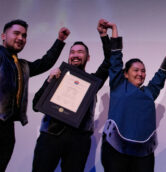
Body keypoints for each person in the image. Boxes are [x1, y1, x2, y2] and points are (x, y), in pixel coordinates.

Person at [0, 19, 69, 172]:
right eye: (16, 33)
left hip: (6, 129)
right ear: (3, 35)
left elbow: (45, 63)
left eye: (24, 35)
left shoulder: (22, 66)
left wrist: (60, 41)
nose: (21, 38)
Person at [31, 19, 113, 172]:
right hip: (50, 136)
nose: (75, 55)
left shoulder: (92, 83)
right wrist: (49, 81)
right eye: (72, 52)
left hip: (79, 140)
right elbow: (35, 105)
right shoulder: (56, 77)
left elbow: (109, 61)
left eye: (80, 52)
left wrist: (103, 36)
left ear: (88, 57)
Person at [100, 23, 166, 172]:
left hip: (143, 152)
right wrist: (114, 29)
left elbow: (162, 72)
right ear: (125, 74)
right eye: (136, 70)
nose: (140, 73)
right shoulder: (119, 84)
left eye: (143, 71)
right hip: (115, 148)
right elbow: (115, 58)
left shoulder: (149, 92)